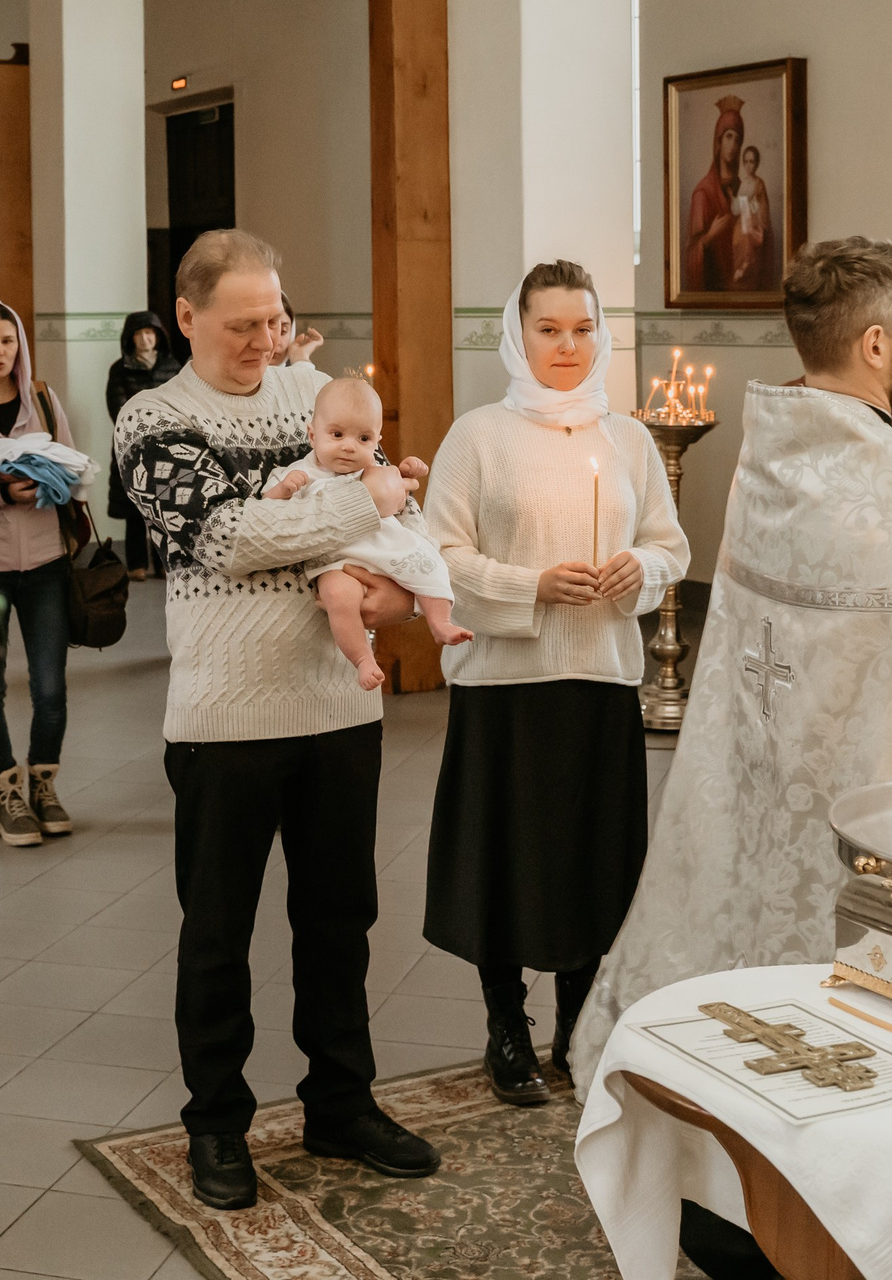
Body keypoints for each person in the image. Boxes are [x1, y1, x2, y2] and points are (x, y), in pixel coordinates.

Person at [570, 236, 892, 1085]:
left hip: (763, 764)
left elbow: (885, 574)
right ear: (876, 344)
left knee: (742, 927)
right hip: (848, 788)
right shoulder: (884, 468)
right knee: (839, 980)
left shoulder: (775, 448)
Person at [114, 228, 442, 1214]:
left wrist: (392, 589)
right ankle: (216, 1122)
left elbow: (397, 518)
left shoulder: (318, 401)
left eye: (276, 320)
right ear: (185, 318)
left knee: (340, 921)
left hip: (336, 707)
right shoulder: (151, 420)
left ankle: (340, 1102)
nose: (266, 340)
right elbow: (233, 536)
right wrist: (362, 502)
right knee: (218, 934)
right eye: (243, 323)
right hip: (223, 718)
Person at [419, 260, 690, 1106]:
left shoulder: (628, 438)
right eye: (549, 329)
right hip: (505, 683)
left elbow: (671, 545)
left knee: (591, 861)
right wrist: (531, 585)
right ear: (519, 332)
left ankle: (578, 1024)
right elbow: (441, 556)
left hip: (599, 679)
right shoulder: (480, 436)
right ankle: (507, 1027)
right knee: (502, 858)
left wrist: (636, 570)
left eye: (581, 329)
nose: (567, 346)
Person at [0, 299, 79, 847]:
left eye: (8, 341)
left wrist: (53, 479)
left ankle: (43, 785)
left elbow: (76, 470)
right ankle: (6, 791)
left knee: (51, 689)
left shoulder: (42, 400)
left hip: (47, 561)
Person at [263, 376, 470, 689]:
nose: (349, 446)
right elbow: (264, 512)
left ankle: (440, 622)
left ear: (377, 441)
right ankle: (362, 658)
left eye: (363, 439)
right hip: (338, 560)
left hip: (385, 545)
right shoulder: (299, 472)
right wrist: (282, 490)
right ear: (312, 434)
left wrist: (406, 471)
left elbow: (401, 494)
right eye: (336, 434)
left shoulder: (373, 469)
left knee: (430, 565)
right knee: (336, 595)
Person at [105, 309, 180, 579]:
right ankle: (136, 564)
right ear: (130, 339)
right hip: (132, 446)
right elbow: (117, 406)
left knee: (165, 506)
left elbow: (178, 404)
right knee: (134, 508)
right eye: (139, 334)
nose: (145, 339)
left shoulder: (173, 365)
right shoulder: (120, 368)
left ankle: (164, 563)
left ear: (158, 336)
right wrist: (140, 429)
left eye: (150, 333)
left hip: (166, 447)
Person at [678, 95, 746, 293]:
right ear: (718, 141)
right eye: (728, 137)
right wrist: (710, 236)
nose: (733, 145)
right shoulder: (703, 193)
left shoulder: (743, 188)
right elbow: (691, 254)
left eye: (738, 139)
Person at [731, 141, 775, 290]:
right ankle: (740, 270)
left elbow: (762, 207)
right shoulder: (743, 183)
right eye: (746, 162)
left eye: (752, 161)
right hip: (743, 222)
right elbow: (737, 209)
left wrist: (752, 206)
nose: (749, 165)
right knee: (739, 240)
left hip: (756, 223)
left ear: (757, 163)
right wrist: (735, 200)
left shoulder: (759, 183)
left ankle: (745, 270)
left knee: (751, 241)